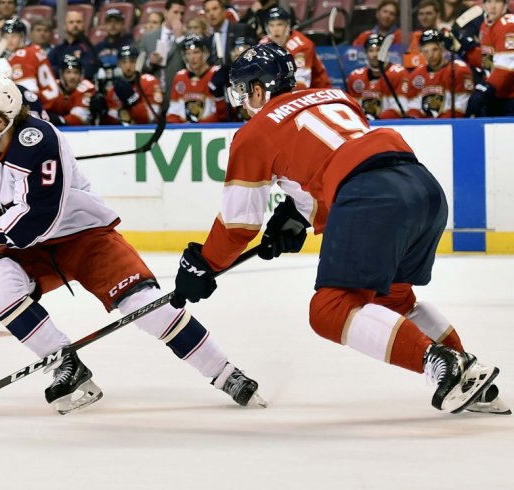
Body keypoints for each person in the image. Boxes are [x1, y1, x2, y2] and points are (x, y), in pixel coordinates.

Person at [0, 72, 265, 414]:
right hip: (29, 249)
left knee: (148, 307)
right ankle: (65, 364)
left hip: (84, 236)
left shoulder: (38, 139)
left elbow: (37, 216)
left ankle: (225, 373)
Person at [170, 43, 505, 415]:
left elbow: (237, 227)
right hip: (420, 185)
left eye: (243, 91)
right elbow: (331, 159)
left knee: (329, 309)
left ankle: (441, 363)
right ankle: (472, 375)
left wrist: (205, 264)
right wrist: (297, 217)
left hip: (371, 197)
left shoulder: (253, 132)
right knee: (392, 299)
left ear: (260, 90)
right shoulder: (335, 96)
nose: (241, 101)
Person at [2, 17, 63, 114]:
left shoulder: (21, 55)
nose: (9, 41)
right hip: (53, 101)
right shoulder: (34, 49)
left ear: (22, 37)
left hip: (43, 106)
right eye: (6, 37)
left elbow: (28, 93)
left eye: (13, 36)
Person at [407, 29, 473, 118]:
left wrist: (438, 125)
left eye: (434, 50)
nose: (430, 55)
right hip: (426, 128)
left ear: (442, 48)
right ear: (421, 52)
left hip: (453, 127)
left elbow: (461, 108)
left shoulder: (459, 70)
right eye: (426, 51)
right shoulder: (416, 75)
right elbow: (413, 107)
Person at [261, 7, 330, 89]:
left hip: (318, 92)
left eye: (279, 24)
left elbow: (301, 84)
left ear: (287, 26)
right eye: (271, 25)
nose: (275, 30)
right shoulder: (263, 44)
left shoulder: (302, 46)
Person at [346, 33, 409, 119]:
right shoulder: (355, 77)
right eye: (371, 51)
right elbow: (352, 109)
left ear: (386, 51)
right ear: (366, 53)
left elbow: (400, 109)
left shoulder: (398, 73)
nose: (374, 55)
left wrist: (375, 120)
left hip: (390, 126)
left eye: (378, 50)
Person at [468, 0, 514, 117]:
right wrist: (464, 50)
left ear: (505, 6)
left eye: (497, 2)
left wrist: (487, 88)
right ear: (483, 5)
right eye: (489, 2)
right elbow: (487, 60)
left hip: (510, 97)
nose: (492, 6)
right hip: (497, 96)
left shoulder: (508, 25)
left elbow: (507, 65)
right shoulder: (485, 25)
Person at [166, 34, 226, 123]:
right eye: (188, 53)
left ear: (205, 53)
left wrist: (198, 126)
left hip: (210, 129)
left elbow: (221, 114)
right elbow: (173, 112)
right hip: (185, 130)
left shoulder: (216, 74)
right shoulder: (180, 77)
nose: (192, 57)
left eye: (196, 52)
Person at [103, 44, 164, 125]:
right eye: (124, 62)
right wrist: (103, 114)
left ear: (138, 62)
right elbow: (111, 123)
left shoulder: (150, 82)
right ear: (119, 64)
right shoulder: (113, 90)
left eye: (132, 62)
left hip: (146, 132)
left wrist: (133, 103)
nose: (128, 66)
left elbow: (153, 117)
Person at [139, 0, 187, 90]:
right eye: (175, 12)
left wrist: (180, 39)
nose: (179, 17)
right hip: (154, 91)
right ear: (166, 13)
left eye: (182, 13)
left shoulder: (188, 36)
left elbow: (192, 64)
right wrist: (149, 62)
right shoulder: (148, 37)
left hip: (179, 90)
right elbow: (138, 65)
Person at [48, 10, 98, 80]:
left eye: (78, 22)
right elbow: (48, 70)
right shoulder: (57, 50)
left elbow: (89, 71)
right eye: (71, 22)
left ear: (83, 25)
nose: (75, 25)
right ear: (65, 26)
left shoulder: (88, 48)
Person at [49, 54, 96, 125]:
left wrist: (60, 120)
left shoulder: (87, 88)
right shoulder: (52, 87)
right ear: (61, 74)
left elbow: (80, 116)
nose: (72, 76)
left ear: (81, 75)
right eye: (68, 72)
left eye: (76, 72)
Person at [204, 0, 251, 67]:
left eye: (215, 9)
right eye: (207, 11)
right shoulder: (208, 39)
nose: (211, 13)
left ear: (223, 10)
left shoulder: (241, 29)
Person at [94, 8, 135, 73]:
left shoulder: (131, 46)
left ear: (123, 24)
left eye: (117, 21)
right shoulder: (98, 47)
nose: (113, 25)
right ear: (105, 24)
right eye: (109, 21)